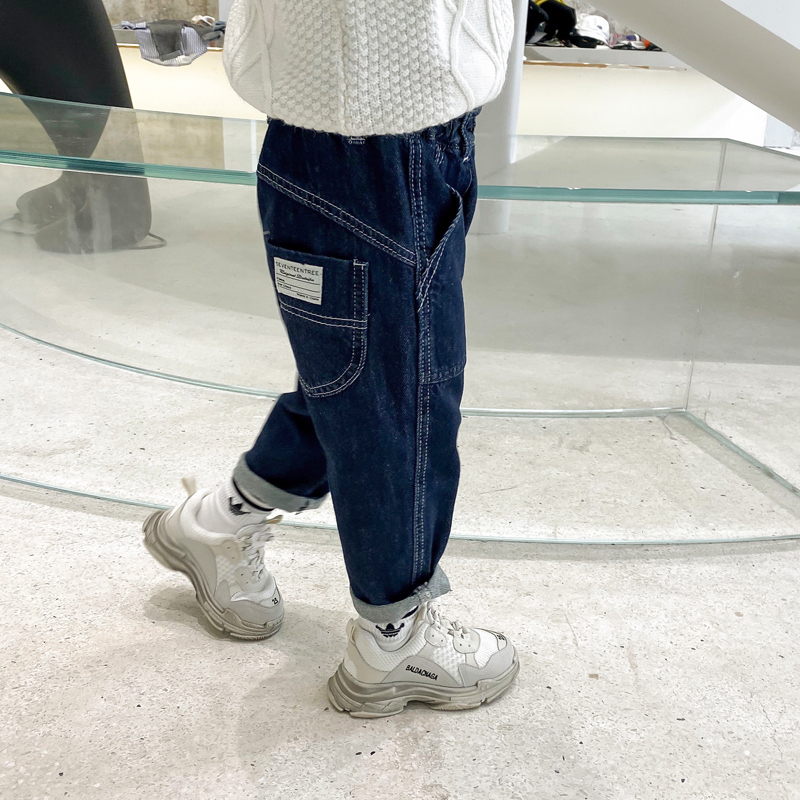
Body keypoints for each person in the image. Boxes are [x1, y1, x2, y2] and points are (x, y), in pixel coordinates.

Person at [143, 0, 520, 718]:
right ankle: (394, 638)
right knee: (401, 399)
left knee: (364, 378)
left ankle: (217, 522)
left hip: (403, 127)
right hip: (368, 129)